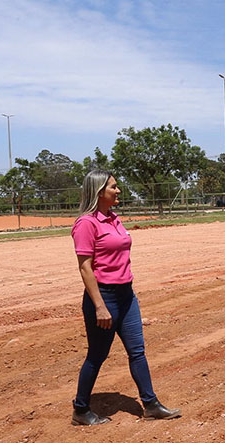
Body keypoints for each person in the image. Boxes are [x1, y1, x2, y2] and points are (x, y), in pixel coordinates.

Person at [70, 170, 180, 426]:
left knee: (137, 351)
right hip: (104, 298)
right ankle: (81, 409)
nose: (118, 191)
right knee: (97, 355)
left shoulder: (113, 218)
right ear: (99, 191)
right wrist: (99, 306)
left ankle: (151, 404)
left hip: (126, 296)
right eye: (113, 187)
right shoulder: (87, 223)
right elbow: (85, 268)